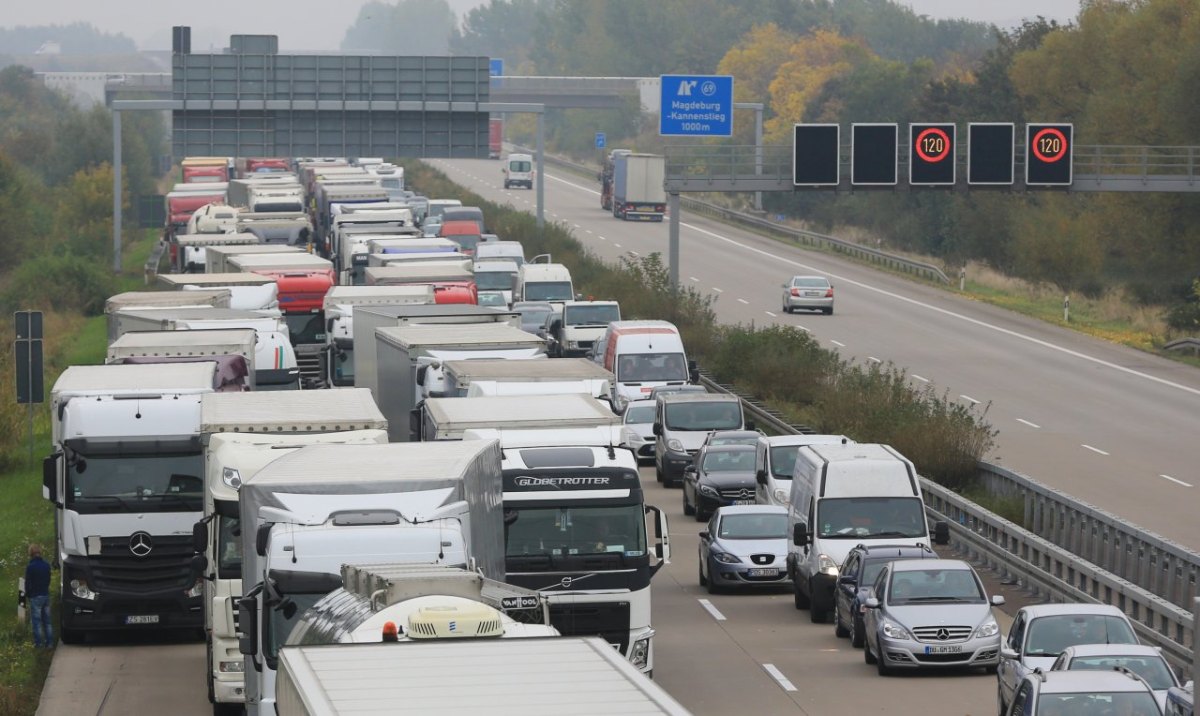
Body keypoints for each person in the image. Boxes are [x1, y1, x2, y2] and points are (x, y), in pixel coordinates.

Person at [25, 544, 52, 649]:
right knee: (47, 622)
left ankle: (39, 644)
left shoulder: (30, 567)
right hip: (45, 594)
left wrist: (28, 594)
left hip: (35, 596)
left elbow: (28, 583)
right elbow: (48, 579)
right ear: (40, 553)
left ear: (31, 554)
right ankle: (49, 643)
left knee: (37, 622)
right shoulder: (46, 565)